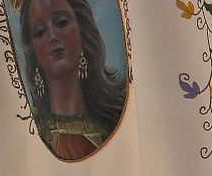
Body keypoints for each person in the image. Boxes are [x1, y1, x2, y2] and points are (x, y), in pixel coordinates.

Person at [18, 0, 129, 160]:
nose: (53, 37)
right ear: (33, 50)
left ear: (82, 31)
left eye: (61, 23)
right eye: (41, 32)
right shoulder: (33, 131)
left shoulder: (116, 122)